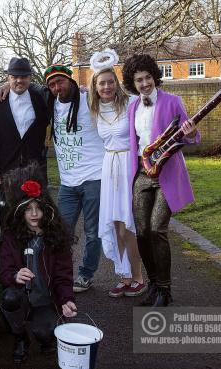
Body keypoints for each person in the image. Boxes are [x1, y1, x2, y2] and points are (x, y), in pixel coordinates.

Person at [122, 54, 199, 306]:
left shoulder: (173, 102)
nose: (144, 83)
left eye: (147, 78)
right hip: (142, 174)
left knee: (157, 228)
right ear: (133, 84)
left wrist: (192, 132)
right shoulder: (132, 107)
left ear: (155, 77)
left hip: (167, 174)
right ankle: (154, 285)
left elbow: (190, 138)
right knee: (142, 232)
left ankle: (165, 290)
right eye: (138, 80)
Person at [0, 165, 77, 364]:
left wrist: (67, 299)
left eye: (38, 208)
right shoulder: (11, 237)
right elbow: (4, 270)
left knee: (47, 335)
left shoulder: (55, 238)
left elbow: (63, 275)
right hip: (22, 298)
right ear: (20, 212)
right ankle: (20, 337)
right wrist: (15, 276)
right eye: (28, 209)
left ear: (46, 209)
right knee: (9, 298)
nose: (34, 214)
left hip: (45, 299)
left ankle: (42, 329)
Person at [87, 49, 146, 298]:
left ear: (117, 82)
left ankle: (138, 277)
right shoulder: (94, 107)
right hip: (109, 168)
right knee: (114, 225)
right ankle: (123, 276)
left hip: (128, 165)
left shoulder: (132, 104)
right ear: (95, 86)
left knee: (127, 227)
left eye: (110, 81)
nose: (107, 86)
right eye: (102, 83)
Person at [43, 64, 105, 293]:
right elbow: (21, 87)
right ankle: (61, 274)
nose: (57, 88)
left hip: (94, 177)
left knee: (92, 231)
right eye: (52, 85)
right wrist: (4, 87)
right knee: (61, 231)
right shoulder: (51, 103)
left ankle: (86, 274)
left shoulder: (91, 100)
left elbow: (116, 96)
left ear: (70, 80)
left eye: (60, 82)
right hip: (68, 182)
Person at [0, 57, 49, 223]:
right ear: (8, 78)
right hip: (6, 170)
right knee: (8, 216)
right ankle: (8, 248)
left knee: (35, 215)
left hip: (34, 169)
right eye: (14, 77)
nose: (19, 80)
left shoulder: (40, 98)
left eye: (23, 76)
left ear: (30, 77)